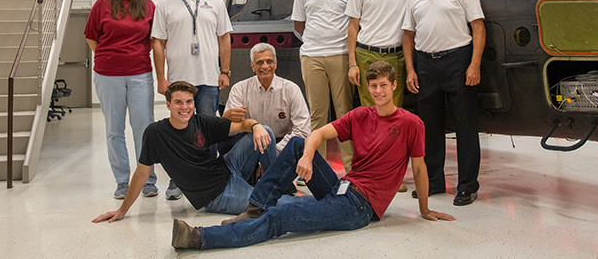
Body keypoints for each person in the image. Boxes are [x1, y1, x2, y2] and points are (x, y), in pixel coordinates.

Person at [170, 61, 455, 250]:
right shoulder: (360, 115)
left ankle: (199, 237)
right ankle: (255, 206)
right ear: (367, 88)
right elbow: (316, 134)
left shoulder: (410, 123)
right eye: (373, 86)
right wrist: (307, 156)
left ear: (394, 86)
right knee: (296, 145)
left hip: (359, 207)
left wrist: (425, 209)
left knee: (281, 216)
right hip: (342, 187)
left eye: (383, 85)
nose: (378, 91)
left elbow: (419, 168)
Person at [92, 81, 277, 223]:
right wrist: (122, 210)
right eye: (178, 102)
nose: (185, 107)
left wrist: (255, 125)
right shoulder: (156, 133)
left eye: (189, 102)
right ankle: (274, 196)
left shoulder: (201, 122)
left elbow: (241, 125)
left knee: (265, 131)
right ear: (168, 105)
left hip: (228, 168)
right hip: (216, 195)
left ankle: (277, 185)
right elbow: (142, 172)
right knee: (274, 205)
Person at [402, 0, 486, 206]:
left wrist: (474, 65)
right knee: (429, 128)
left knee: (465, 127)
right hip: (426, 64)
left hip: (458, 61)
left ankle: (467, 186)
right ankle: (435, 181)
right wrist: (411, 69)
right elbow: (408, 34)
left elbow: (478, 28)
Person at [152, 0, 233, 199]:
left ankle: (208, 177)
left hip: (209, 77)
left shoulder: (215, 2)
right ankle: (178, 180)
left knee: (208, 129)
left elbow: (224, 37)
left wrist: (225, 71)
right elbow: (158, 42)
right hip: (179, 81)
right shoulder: (165, 5)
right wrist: (161, 79)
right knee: (181, 130)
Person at [345, 0, 421, 192]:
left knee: (392, 119)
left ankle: (392, 175)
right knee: (370, 119)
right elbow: (353, 26)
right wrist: (352, 63)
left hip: (395, 57)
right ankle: (372, 172)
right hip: (366, 55)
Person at [84, 0, 158, 199]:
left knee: (143, 128)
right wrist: (109, 56)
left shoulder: (148, 6)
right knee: (114, 130)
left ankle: (147, 180)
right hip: (108, 76)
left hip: (139, 73)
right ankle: (122, 181)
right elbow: (91, 36)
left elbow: (154, 38)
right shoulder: (102, 4)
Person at [291, 0, 355, 171]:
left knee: (344, 114)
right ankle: (317, 169)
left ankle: (351, 168)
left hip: (340, 54)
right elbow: (299, 24)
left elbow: (356, 21)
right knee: (317, 115)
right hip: (312, 57)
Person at [222, 43, 311, 153]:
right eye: (259, 62)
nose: (265, 66)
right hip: (251, 142)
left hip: (283, 143)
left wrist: (277, 150)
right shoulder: (239, 89)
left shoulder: (291, 89)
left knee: (301, 144)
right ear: (253, 66)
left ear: (276, 64)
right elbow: (228, 130)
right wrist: (225, 119)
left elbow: (303, 130)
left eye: (269, 61)